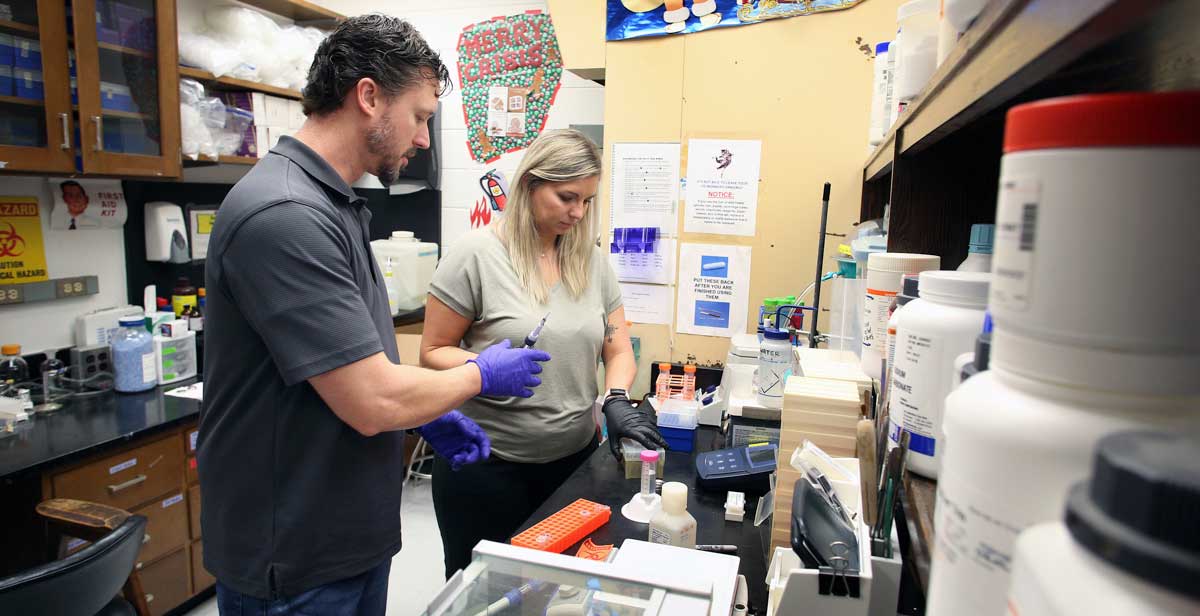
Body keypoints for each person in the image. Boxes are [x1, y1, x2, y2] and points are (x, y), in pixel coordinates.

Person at [198, 15, 550, 616]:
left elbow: (354, 365)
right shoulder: (284, 214)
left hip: (347, 536)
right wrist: (479, 377)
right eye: (420, 117)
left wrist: (424, 417)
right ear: (368, 96)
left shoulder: (335, 205)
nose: (423, 140)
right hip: (296, 554)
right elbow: (369, 399)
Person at [421, 129, 667, 577]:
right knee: (485, 591)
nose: (578, 213)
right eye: (567, 197)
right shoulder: (475, 255)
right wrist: (484, 369)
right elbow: (433, 351)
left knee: (562, 589)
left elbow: (616, 345)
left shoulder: (591, 263)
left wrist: (614, 397)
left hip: (573, 462)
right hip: (486, 464)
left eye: (588, 201)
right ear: (530, 185)